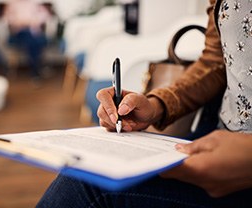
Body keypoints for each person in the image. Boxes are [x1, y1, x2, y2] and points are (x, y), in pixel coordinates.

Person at [36, 0, 252, 207]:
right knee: (92, 170)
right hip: (216, 138)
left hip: (236, 166)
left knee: (87, 186)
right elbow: (215, 61)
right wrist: (156, 104)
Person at [3, 0, 52, 80]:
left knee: (33, 41)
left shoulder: (34, 3)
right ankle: (36, 70)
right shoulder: (13, 4)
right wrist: (22, 22)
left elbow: (45, 15)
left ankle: (35, 71)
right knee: (34, 40)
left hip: (34, 32)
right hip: (19, 33)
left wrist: (34, 21)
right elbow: (8, 18)